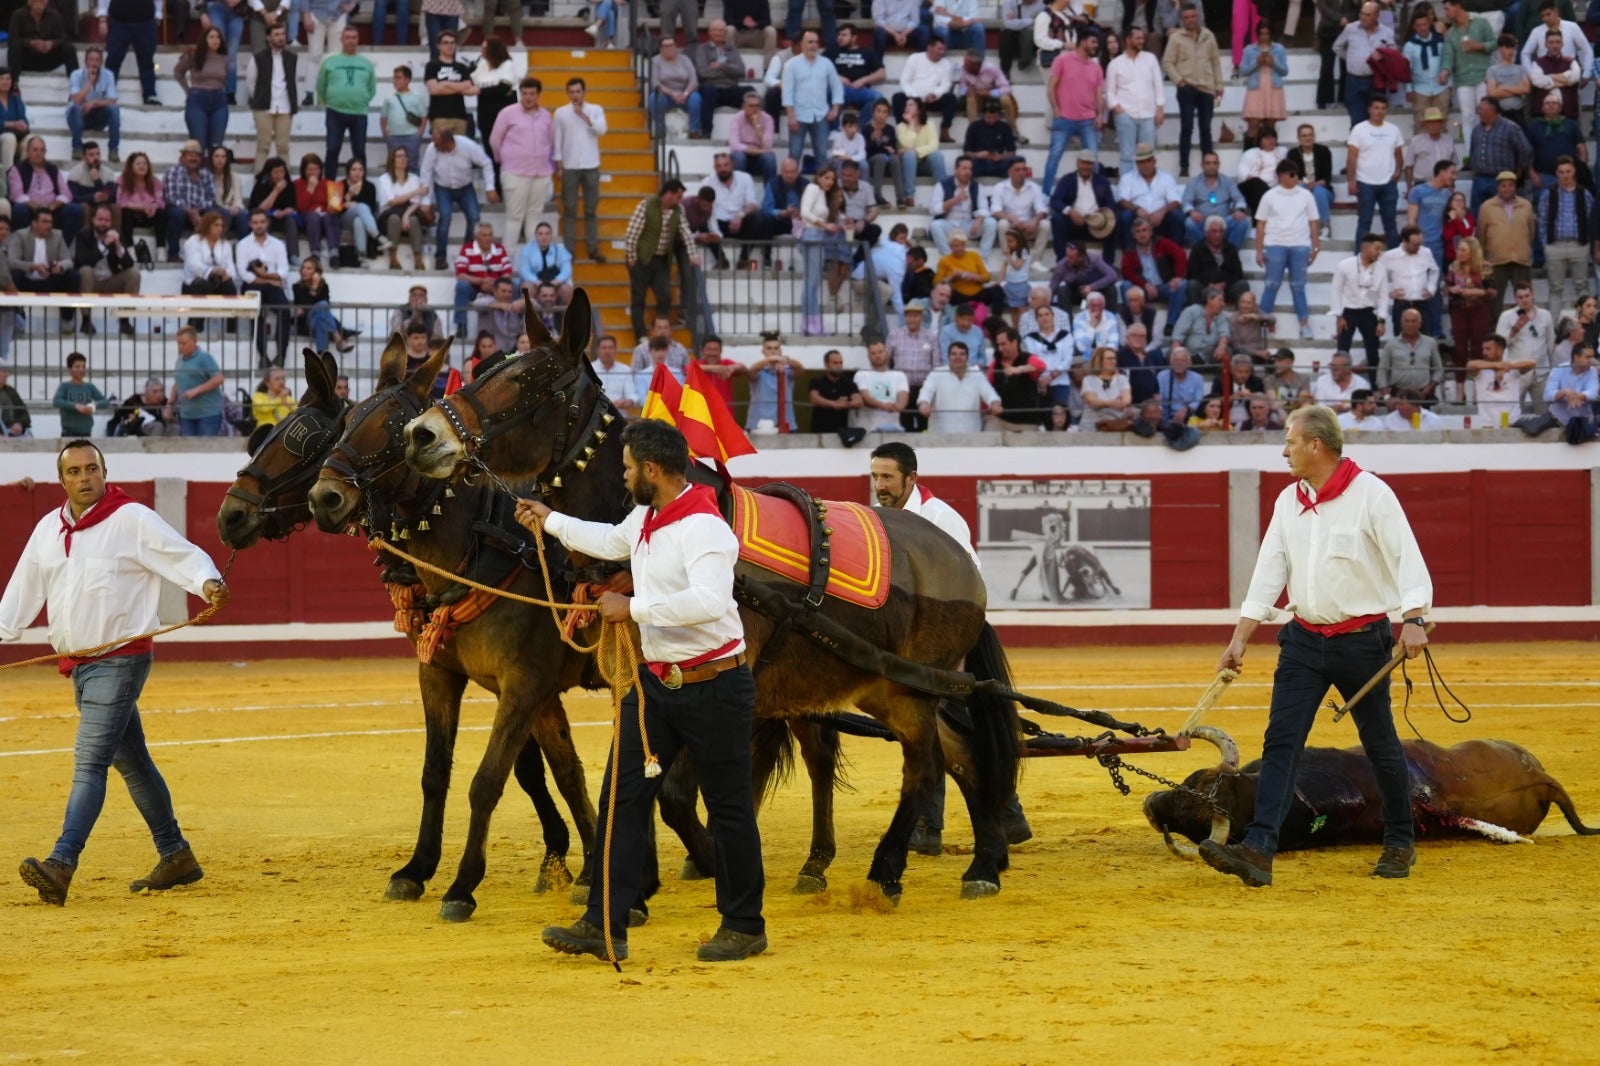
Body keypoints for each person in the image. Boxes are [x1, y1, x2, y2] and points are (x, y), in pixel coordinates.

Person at [521, 420, 766, 964]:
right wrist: (551, 520)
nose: (624, 473)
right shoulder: (648, 515)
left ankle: (745, 925)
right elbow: (610, 540)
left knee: (728, 809)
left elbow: (708, 601)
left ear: (652, 471)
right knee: (620, 798)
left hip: (715, 687)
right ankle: (603, 922)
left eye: (629, 466)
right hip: (655, 685)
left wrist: (630, 608)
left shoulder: (705, 528)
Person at [1202, 405, 1431, 888]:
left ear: (1316, 446)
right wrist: (1239, 638)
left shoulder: (1371, 493)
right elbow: (1269, 573)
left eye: (1290, 441)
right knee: (1281, 742)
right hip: (1303, 640)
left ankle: (1399, 840)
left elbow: (1406, 557)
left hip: (1362, 643)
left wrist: (1413, 619)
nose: (1283, 450)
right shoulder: (1289, 500)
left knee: (1380, 745)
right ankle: (1260, 849)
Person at [2, 440, 228, 908]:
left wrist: (208, 582)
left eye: (93, 469)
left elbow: (180, 554)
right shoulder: (49, 529)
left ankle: (61, 863)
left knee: (90, 761)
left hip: (121, 659)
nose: (85, 478)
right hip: (81, 667)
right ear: (61, 479)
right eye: (75, 471)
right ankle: (176, 854)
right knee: (133, 762)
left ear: (105, 471)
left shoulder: (132, 518)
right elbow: (21, 592)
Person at [1256, 159, 1320, 341]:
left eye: (1296, 174)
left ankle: (1304, 324)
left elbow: (1313, 222)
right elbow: (1260, 224)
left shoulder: (1306, 195)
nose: (1296, 178)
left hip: (1300, 245)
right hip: (1275, 243)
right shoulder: (1269, 195)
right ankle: (1263, 323)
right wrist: (1259, 250)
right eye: (1292, 174)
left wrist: (1315, 246)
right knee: (1271, 284)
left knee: (1298, 286)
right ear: (1281, 176)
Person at [490, 77, 555, 249]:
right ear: (520, 94)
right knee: (514, 217)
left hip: (541, 173)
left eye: (532, 94)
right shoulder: (507, 113)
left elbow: (550, 142)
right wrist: (504, 159)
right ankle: (506, 265)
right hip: (514, 172)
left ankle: (533, 264)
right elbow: (495, 140)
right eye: (524, 93)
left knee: (535, 217)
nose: (528, 97)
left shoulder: (546, 116)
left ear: (538, 95)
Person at [420, 127, 498, 271]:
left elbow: (486, 163)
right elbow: (426, 172)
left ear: (448, 142)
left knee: (474, 217)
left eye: (439, 145)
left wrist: (490, 187)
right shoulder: (432, 148)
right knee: (445, 217)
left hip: (465, 187)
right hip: (442, 187)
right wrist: (425, 201)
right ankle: (440, 257)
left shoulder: (468, 146)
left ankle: (466, 255)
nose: (435, 147)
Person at [1163, 4, 1222, 179]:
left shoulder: (1208, 36)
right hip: (1186, 86)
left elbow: (1216, 62)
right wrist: (1179, 81)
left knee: (1206, 128)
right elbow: (1167, 62)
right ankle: (1184, 166)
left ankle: (1209, 166)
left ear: (1197, 17)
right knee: (1186, 127)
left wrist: (1219, 86)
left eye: (1192, 16)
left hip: (1206, 87)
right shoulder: (1176, 38)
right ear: (1182, 18)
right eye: (1186, 17)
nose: (1190, 20)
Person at [553, 78, 607, 263]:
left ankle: (593, 248)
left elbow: (601, 130)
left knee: (591, 209)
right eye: (572, 92)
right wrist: (559, 165)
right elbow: (557, 140)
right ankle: (569, 250)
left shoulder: (596, 109)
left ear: (584, 92)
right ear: (567, 93)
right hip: (570, 166)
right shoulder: (560, 113)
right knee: (570, 209)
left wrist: (584, 116)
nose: (575, 95)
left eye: (578, 91)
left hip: (591, 165)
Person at [1042, 33, 1102, 196]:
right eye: (1093, 41)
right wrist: (1056, 109)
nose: (1096, 45)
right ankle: (1045, 196)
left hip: (1088, 119)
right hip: (1064, 118)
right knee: (1054, 156)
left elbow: (1098, 93)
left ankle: (1095, 196)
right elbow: (1051, 87)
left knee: (1093, 158)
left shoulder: (1096, 67)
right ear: (1083, 42)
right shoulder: (1062, 60)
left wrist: (1099, 114)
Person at [8, 206, 81, 333]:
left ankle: (67, 320)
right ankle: (18, 317)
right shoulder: (20, 235)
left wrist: (60, 266)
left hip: (50, 280)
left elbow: (68, 261)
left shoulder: (57, 235)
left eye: (51, 222)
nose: (49, 225)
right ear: (34, 223)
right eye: (45, 222)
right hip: (27, 280)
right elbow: (11, 261)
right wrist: (33, 266)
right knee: (14, 275)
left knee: (73, 275)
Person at [1105, 27, 1164, 179]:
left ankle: (1147, 189)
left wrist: (1159, 109)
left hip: (1148, 114)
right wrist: (1117, 108)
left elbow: (1158, 84)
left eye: (1142, 38)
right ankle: (1126, 192)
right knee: (1126, 155)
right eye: (1138, 38)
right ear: (1128, 40)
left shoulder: (1150, 58)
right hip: (1126, 115)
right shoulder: (1116, 63)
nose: (1141, 41)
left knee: (1147, 155)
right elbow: (1109, 91)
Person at [237, 209, 293, 368]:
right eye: (255, 222)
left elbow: (283, 272)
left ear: (267, 223)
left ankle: (281, 354)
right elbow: (244, 274)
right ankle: (263, 356)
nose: (259, 225)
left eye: (262, 222)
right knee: (257, 314)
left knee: (285, 312)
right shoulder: (243, 245)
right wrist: (269, 278)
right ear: (250, 224)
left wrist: (265, 276)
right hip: (253, 286)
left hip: (272, 287)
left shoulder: (278, 244)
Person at [74, 203, 140, 337]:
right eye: (100, 219)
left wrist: (117, 245)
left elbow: (128, 263)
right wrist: (104, 245)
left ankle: (125, 320)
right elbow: (84, 261)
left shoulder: (117, 234)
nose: (103, 223)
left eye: (106, 220)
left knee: (133, 274)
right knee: (85, 271)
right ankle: (86, 321)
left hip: (111, 280)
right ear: (93, 220)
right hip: (91, 282)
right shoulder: (83, 235)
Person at [1347, 97, 1404, 251]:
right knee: (1364, 222)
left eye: (1383, 108)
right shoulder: (1359, 129)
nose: (1379, 111)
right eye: (1376, 107)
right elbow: (1352, 157)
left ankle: (1395, 259)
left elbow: (1398, 153)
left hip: (1388, 183)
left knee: (1390, 223)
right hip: (1365, 182)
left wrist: (1398, 170)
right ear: (1369, 110)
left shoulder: (1394, 129)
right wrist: (1351, 181)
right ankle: (1359, 260)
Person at [1476, 171, 1534, 316]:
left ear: (1515, 187)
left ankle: (1524, 332)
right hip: (1496, 261)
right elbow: (1481, 234)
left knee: (1524, 302)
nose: (1507, 189)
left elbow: (1531, 232)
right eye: (1503, 186)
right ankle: (1494, 335)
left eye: (1510, 185)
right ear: (1498, 187)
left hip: (1521, 260)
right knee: (1494, 303)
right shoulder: (1486, 207)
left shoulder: (1526, 205)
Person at [318, 25, 376, 171]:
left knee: (359, 152)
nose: (351, 41)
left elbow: (371, 89)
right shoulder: (329, 61)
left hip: (359, 113)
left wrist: (360, 100)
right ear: (341, 39)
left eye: (354, 38)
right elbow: (321, 86)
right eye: (348, 37)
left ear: (358, 40)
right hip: (335, 112)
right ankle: (330, 188)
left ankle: (361, 189)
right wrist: (330, 101)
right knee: (332, 149)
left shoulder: (366, 64)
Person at [1333, 2, 1396, 127]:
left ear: (1377, 16)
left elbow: (1394, 53)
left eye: (1367, 15)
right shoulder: (1350, 29)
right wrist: (1350, 58)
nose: (1363, 17)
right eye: (1362, 14)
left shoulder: (1387, 32)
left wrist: (1383, 57)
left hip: (1376, 81)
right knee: (1357, 121)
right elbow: (1337, 47)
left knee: (1376, 121)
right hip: (1354, 81)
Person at [246, 24, 299, 168]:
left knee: (283, 147)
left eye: (282, 34)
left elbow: (292, 81)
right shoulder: (258, 57)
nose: (281, 37)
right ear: (268, 37)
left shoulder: (292, 57)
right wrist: (260, 97)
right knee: (263, 145)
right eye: (276, 34)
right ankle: (259, 180)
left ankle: (285, 180)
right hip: (264, 106)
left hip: (285, 106)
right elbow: (251, 82)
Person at [98, 0, 161, 108]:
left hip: (146, 22)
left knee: (147, 61)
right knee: (113, 60)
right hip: (118, 22)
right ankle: (107, 93)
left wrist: (158, 15)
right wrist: (102, 18)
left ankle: (150, 94)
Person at [176, 28, 230, 154]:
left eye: (217, 37)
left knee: (216, 144)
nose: (215, 40)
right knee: (198, 143)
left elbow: (226, 77)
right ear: (204, 40)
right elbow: (178, 72)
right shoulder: (193, 55)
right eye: (211, 37)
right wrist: (188, 90)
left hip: (219, 100)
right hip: (198, 98)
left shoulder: (224, 58)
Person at [67, 48, 121, 165]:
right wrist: (90, 82)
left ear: (101, 62)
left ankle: (113, 149)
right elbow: (76, 99)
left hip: (97, 115)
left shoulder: (108, 75)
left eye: (97, 60)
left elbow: (113, 100)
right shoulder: (76, 75)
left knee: (114, 110)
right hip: (79, 115)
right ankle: (77, 148)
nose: (94, 63)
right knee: (75, 109)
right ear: (85, 62)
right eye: (91, 59)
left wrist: (94, 103)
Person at [293, 256, 357, 353]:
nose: (304, 271)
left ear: (317, 272)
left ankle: (322, 354)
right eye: (303, 268)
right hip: (306, 323)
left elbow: (326, 307)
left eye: (308, 268)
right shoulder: (297, 287)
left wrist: (315, 288)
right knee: (322, 306)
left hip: (318, 321)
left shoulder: (324, 286)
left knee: (321, 318)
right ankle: (337, 338)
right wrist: (314, 287)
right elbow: (305, 308)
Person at [745, 332, 806, 430]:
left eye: (776, 348)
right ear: (763, 351)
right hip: (758, 424)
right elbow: (750, 372)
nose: (773, 351)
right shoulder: (758, 370)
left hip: (786, 424)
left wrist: (786, 360)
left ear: (780, 351)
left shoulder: (788, 371)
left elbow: (801, 370)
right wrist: (770, 359)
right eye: (769, 348)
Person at [7, 0, 75, 83]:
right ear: (29, 1)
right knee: (14, 47)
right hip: (26, 59)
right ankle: (14, 84)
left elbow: (62, 38)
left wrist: (52, 43)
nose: (39, 2)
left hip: (47, 58)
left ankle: (75, 85)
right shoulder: (18, 15)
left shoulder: (55, 15)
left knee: (69, 48)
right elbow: (12, 39)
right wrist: (31, 43)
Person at [424, 30, 475, 137]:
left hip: (460, 116)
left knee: (460, 151)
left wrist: (445, 84)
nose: (450, 46)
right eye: (446, 42)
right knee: (441, 151)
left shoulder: (462, 67)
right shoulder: (432, 65)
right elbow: (434, 90)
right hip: (439, 116)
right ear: (438, 46)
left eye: (452, 43)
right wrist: (460, 87)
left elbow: (472, 90)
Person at [380, 66, 430, 173]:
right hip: (393, 137)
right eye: (394, 77)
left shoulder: (417, 97)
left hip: (412, 137)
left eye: (398, 77)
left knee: (412, 165)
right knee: (393, 166)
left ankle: (414, 188)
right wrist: (385, 131)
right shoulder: (389, 98)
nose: (395, 80)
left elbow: (424, 116)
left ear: (407, 80)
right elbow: (383, 116)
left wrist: (419, 134)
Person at [52, 353, 107, 437]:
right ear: (69, 369)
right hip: (68, 433)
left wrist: (93, 405)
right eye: (77, 367)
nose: (81, 369)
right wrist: (75, 406)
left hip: (86, 433)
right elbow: (57, 401)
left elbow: (105, 402)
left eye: (83, 366)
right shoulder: (65, 386)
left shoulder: (90, 386)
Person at [110, 376, 176, 437]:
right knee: (157, 426)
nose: (159, 394)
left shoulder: (164, 401)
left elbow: (174, 417)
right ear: (146, 392)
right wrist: (130, 418)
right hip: (139, 430)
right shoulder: (134, 401)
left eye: (161, 391)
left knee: (175, 427)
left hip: (162, 429)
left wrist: (170, 417)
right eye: (155, 391)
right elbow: (119, 417)